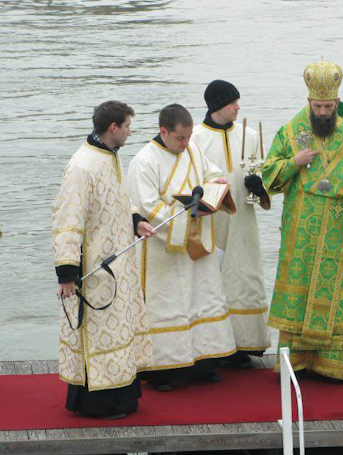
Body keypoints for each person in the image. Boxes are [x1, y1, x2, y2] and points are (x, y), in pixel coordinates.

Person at [260, 61, 343, 381]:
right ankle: (296, 361)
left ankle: (334, 364)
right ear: (309, 102)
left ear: (337, 102)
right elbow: (268, 177)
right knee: (299, 293)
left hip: (340, 234)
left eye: (328, 106)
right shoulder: (291, 133)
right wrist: (294, 162)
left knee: (337, 292)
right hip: (301, 233)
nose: (323, 112)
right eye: (318, 106)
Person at [52, 101, 154, 418]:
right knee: (97, 333)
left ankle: (123, 396)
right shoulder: (82, 166)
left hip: (119, 262)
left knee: (119, 328)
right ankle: (98, 404)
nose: (130, 131)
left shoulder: (111, 156)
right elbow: (67, 220)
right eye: (128, 126)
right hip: (95, 269)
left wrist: (135, 220)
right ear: (113, 127)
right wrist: (66, 273)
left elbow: (119, 200)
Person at [128, 104, 237, 391]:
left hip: (197, 244)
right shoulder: (144, 161)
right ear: (163, 131)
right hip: (164, 250)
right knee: (169, 305)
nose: (186, 143)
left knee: (203, 298)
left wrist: (215, 190)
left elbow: (212, 175)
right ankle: (163, 371)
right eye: (180, 138)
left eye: (188, 137)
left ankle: (204, 362)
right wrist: (186, 215)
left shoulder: (193, 150)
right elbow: (146, 207)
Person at [192, 80, 272, 369]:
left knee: (244, 276)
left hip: (243, 220)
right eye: (232, 103)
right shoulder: (195, 138)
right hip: (211, 219)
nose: (238, 107)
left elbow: (260, 184)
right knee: (210, 279)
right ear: (217, 105)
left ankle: (244, 343)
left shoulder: (249, 135)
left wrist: (258, 187)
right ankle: (212, 345)